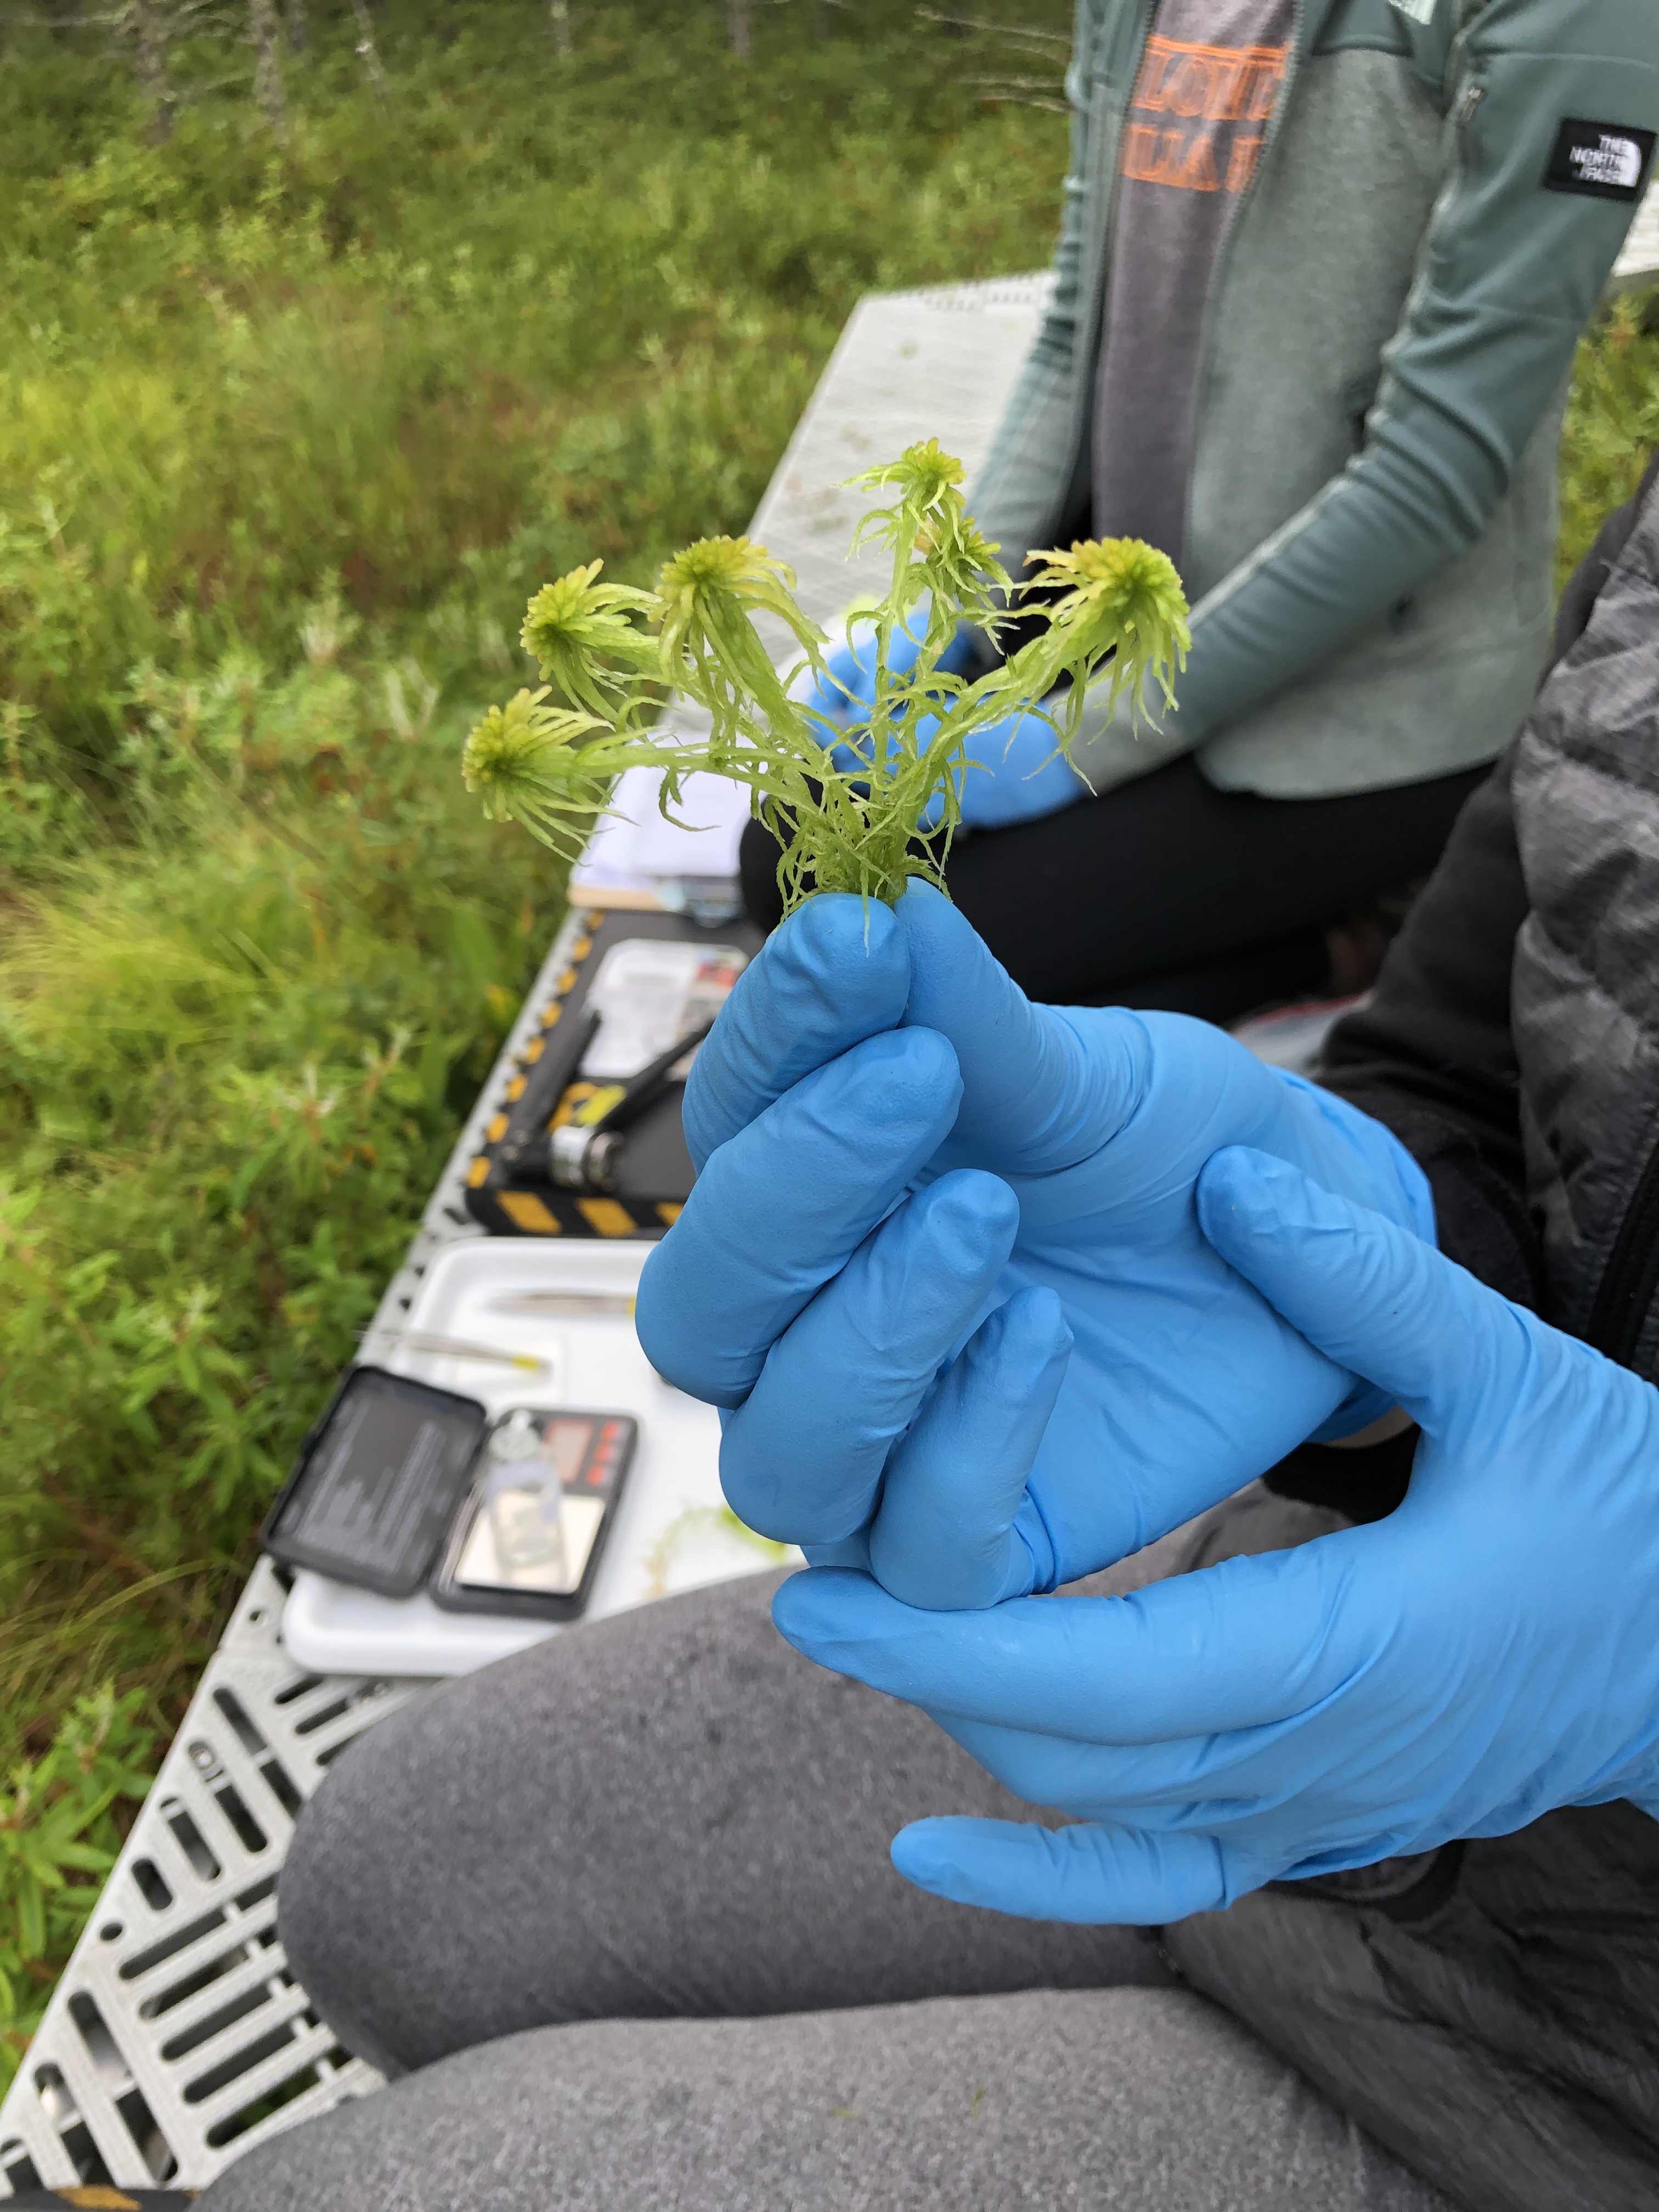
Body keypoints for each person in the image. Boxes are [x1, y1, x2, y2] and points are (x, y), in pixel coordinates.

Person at [198, 462, 1659, 2210]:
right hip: (1394, 1617)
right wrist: (1348, 1296)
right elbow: (1454, 1067)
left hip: (1582, 2087)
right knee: (392, 1873)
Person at [741, 0, 1659, 1021]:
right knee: (788, 851)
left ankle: (1348, 941)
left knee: (931, 968)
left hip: (1358, 683)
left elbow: (1433, 471)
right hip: (1131, 603)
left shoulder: (1577, 16)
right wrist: (957, 605)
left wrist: (1072, 745)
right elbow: (1074, 336)